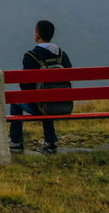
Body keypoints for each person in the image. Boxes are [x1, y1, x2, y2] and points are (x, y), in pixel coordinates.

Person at [10, 19, 71, 155]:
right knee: (47, 99)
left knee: (15, 100)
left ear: (37, 35)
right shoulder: (62, 55)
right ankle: (50, 142)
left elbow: (26, 86)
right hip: (62, 103)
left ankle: (15, 142)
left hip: (40, 105)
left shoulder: (31, 57)